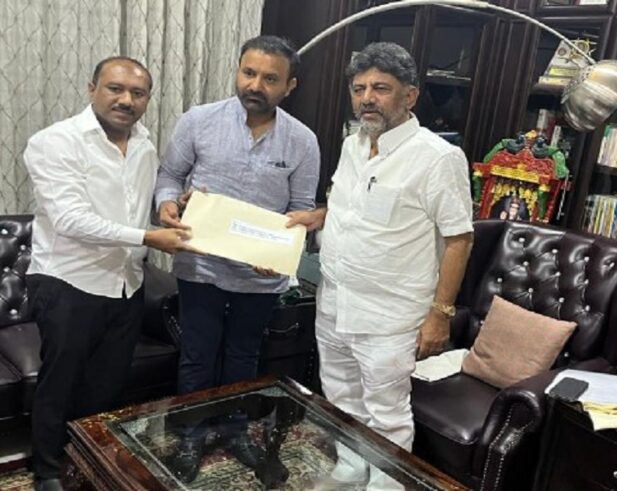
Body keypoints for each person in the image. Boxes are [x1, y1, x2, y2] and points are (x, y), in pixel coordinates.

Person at [287, 42, 474, 488]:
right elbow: (355, 209)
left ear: (410, 95)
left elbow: (459, 239)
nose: (367, 98)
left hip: (390, 315)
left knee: (386, 413)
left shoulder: (438, 157)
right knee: (340, 397)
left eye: (380, 88)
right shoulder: (352, 144)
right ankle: (351, 470)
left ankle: (385, 485)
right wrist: (321, 216)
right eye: (359, 89)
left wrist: (440, 314)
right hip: (335, 300)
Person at [24, 56, 196, 491]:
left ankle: (90, 458)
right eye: (115, 89)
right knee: (60, 383)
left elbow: (137, 208)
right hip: (68, 281)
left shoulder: (144, 145)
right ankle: (47, 470)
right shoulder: (55, 142)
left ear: (147, 100)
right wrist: (148, 237)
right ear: (92, 89)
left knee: (107, 385)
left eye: (138, 93)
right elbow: (69, 219)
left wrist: (177, 208)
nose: (126, 100)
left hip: (126, 283)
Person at [154, 35, 320, 482]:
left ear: (290, 86)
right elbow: (169, 176)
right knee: (197, 356)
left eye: (270, 79)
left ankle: (235, 431)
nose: (255, 85)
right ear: (238, 71)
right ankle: (191, 435)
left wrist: (280, 254)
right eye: (249, 73)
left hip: (258, 276)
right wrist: (167, 205)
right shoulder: (199, 120)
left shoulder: (303, 141)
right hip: (200, 266)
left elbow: (301, 210)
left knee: (244, 356)